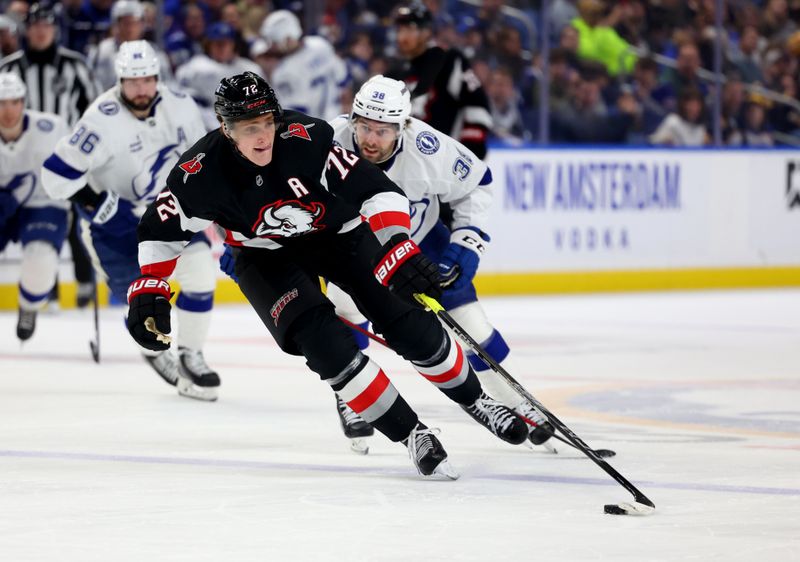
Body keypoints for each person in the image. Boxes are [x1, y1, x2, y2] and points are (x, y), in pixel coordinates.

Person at [127, 71, 530, 478]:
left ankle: (474, 399)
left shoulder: (307, 137)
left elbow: (377, 190)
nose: (263, 136)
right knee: (324, 345)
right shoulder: (200, 171)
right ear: (225, 128)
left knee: (407, 320)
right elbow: (160, 230)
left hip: (339, 234)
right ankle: (412, 435)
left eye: (268, 122)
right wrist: (149, 288)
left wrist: (398, 245)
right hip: (263, 256)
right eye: (250, 128)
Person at [323, 75, 554, 453]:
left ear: (404, 127)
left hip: (420, 242)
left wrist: (466, 244)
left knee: (472, 324)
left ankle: (518, 401)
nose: (370, 139)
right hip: (352, 247)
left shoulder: (427, 148)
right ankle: (352, 395)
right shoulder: (328, 143)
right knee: (344, 305)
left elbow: (478, 183)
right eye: (364, 126)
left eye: (383, 130)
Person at [41, 41, 219, 401]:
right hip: (115, 227)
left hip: (169, 215)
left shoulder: (182, 106)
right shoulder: (100, 119)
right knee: (142, 300)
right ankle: (154, 351)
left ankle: (191, 353)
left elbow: (209, 159)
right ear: (120, 80)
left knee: (201, 275)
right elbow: (54, 175)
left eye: (147, 79)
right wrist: (94, 202)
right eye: (132, 80)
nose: (141, 88)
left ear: (157, 77)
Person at [1, 3, 101, 309]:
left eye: (47, 25)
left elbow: (95, 112)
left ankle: (84, 281)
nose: (41, 31)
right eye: (35, 25)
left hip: (67, 157)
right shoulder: (9, 69)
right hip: (24, 157)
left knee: (76, 220)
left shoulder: (75, 65)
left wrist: (91, 155)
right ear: (27, 30)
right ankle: (50, 289)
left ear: (56, 29)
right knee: (46, 221)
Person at [0, 72, 70, 341]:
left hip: (42, 201)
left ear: (23, 102)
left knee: (41, 260)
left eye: (14, 102)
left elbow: (78, 163)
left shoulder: (52, 128)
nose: (8, 110)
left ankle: (28, 305)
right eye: (2, 103)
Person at [386, 2, 492, 160]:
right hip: (406, 163)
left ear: (426, 32)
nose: (402, 36)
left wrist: (468, 153)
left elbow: (477, 103)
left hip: (444, 163)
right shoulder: (395, 72)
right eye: (400, 30)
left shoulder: (448, 60)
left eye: (410, 29)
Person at [258, 9, 348, 121]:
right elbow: (297, 114)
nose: (273, 47)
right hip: (323, 125)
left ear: (288, 38)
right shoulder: (319, 43)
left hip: (331, 121)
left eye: (275, 42)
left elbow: (342, 79)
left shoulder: (319, 45)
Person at [175, 22, 261, 130]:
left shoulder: (250, 69)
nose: (221, 48)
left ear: (234, 45)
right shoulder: (194, 69)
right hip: (207, 129)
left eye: (226, 43)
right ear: (208, 45)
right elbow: (186, 104)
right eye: (217, 43)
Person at [87, 0, 174, 91]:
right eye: (126, 23)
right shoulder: (102, 51)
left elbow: (168, 84)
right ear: (115, 24)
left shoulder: (153, 51)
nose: (130, 28)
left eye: (134, 23)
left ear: (142, 24)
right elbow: (92, 85)